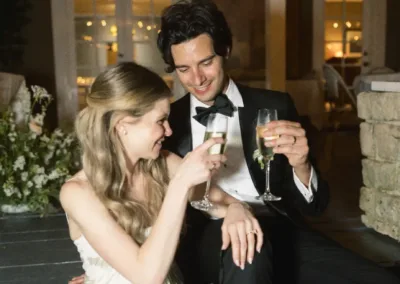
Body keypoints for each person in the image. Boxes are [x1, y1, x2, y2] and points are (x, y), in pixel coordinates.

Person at [156, 0, 400, 284]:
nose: (197, 78)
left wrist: (302, 166)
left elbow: (315, 207)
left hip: (279, 227)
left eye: (206, 62)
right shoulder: (168, 123)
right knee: (247, 257)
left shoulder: (274, 105)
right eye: (183, 69)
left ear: (226, 51)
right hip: (210, 232)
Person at [62, 62, 269, 284]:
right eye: (160, 121)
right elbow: (147, 277)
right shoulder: (77, 193)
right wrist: (180, 185)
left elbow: (218, 202)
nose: (169, 131)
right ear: (123, 125)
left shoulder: (165, 164)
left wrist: (237, 208)